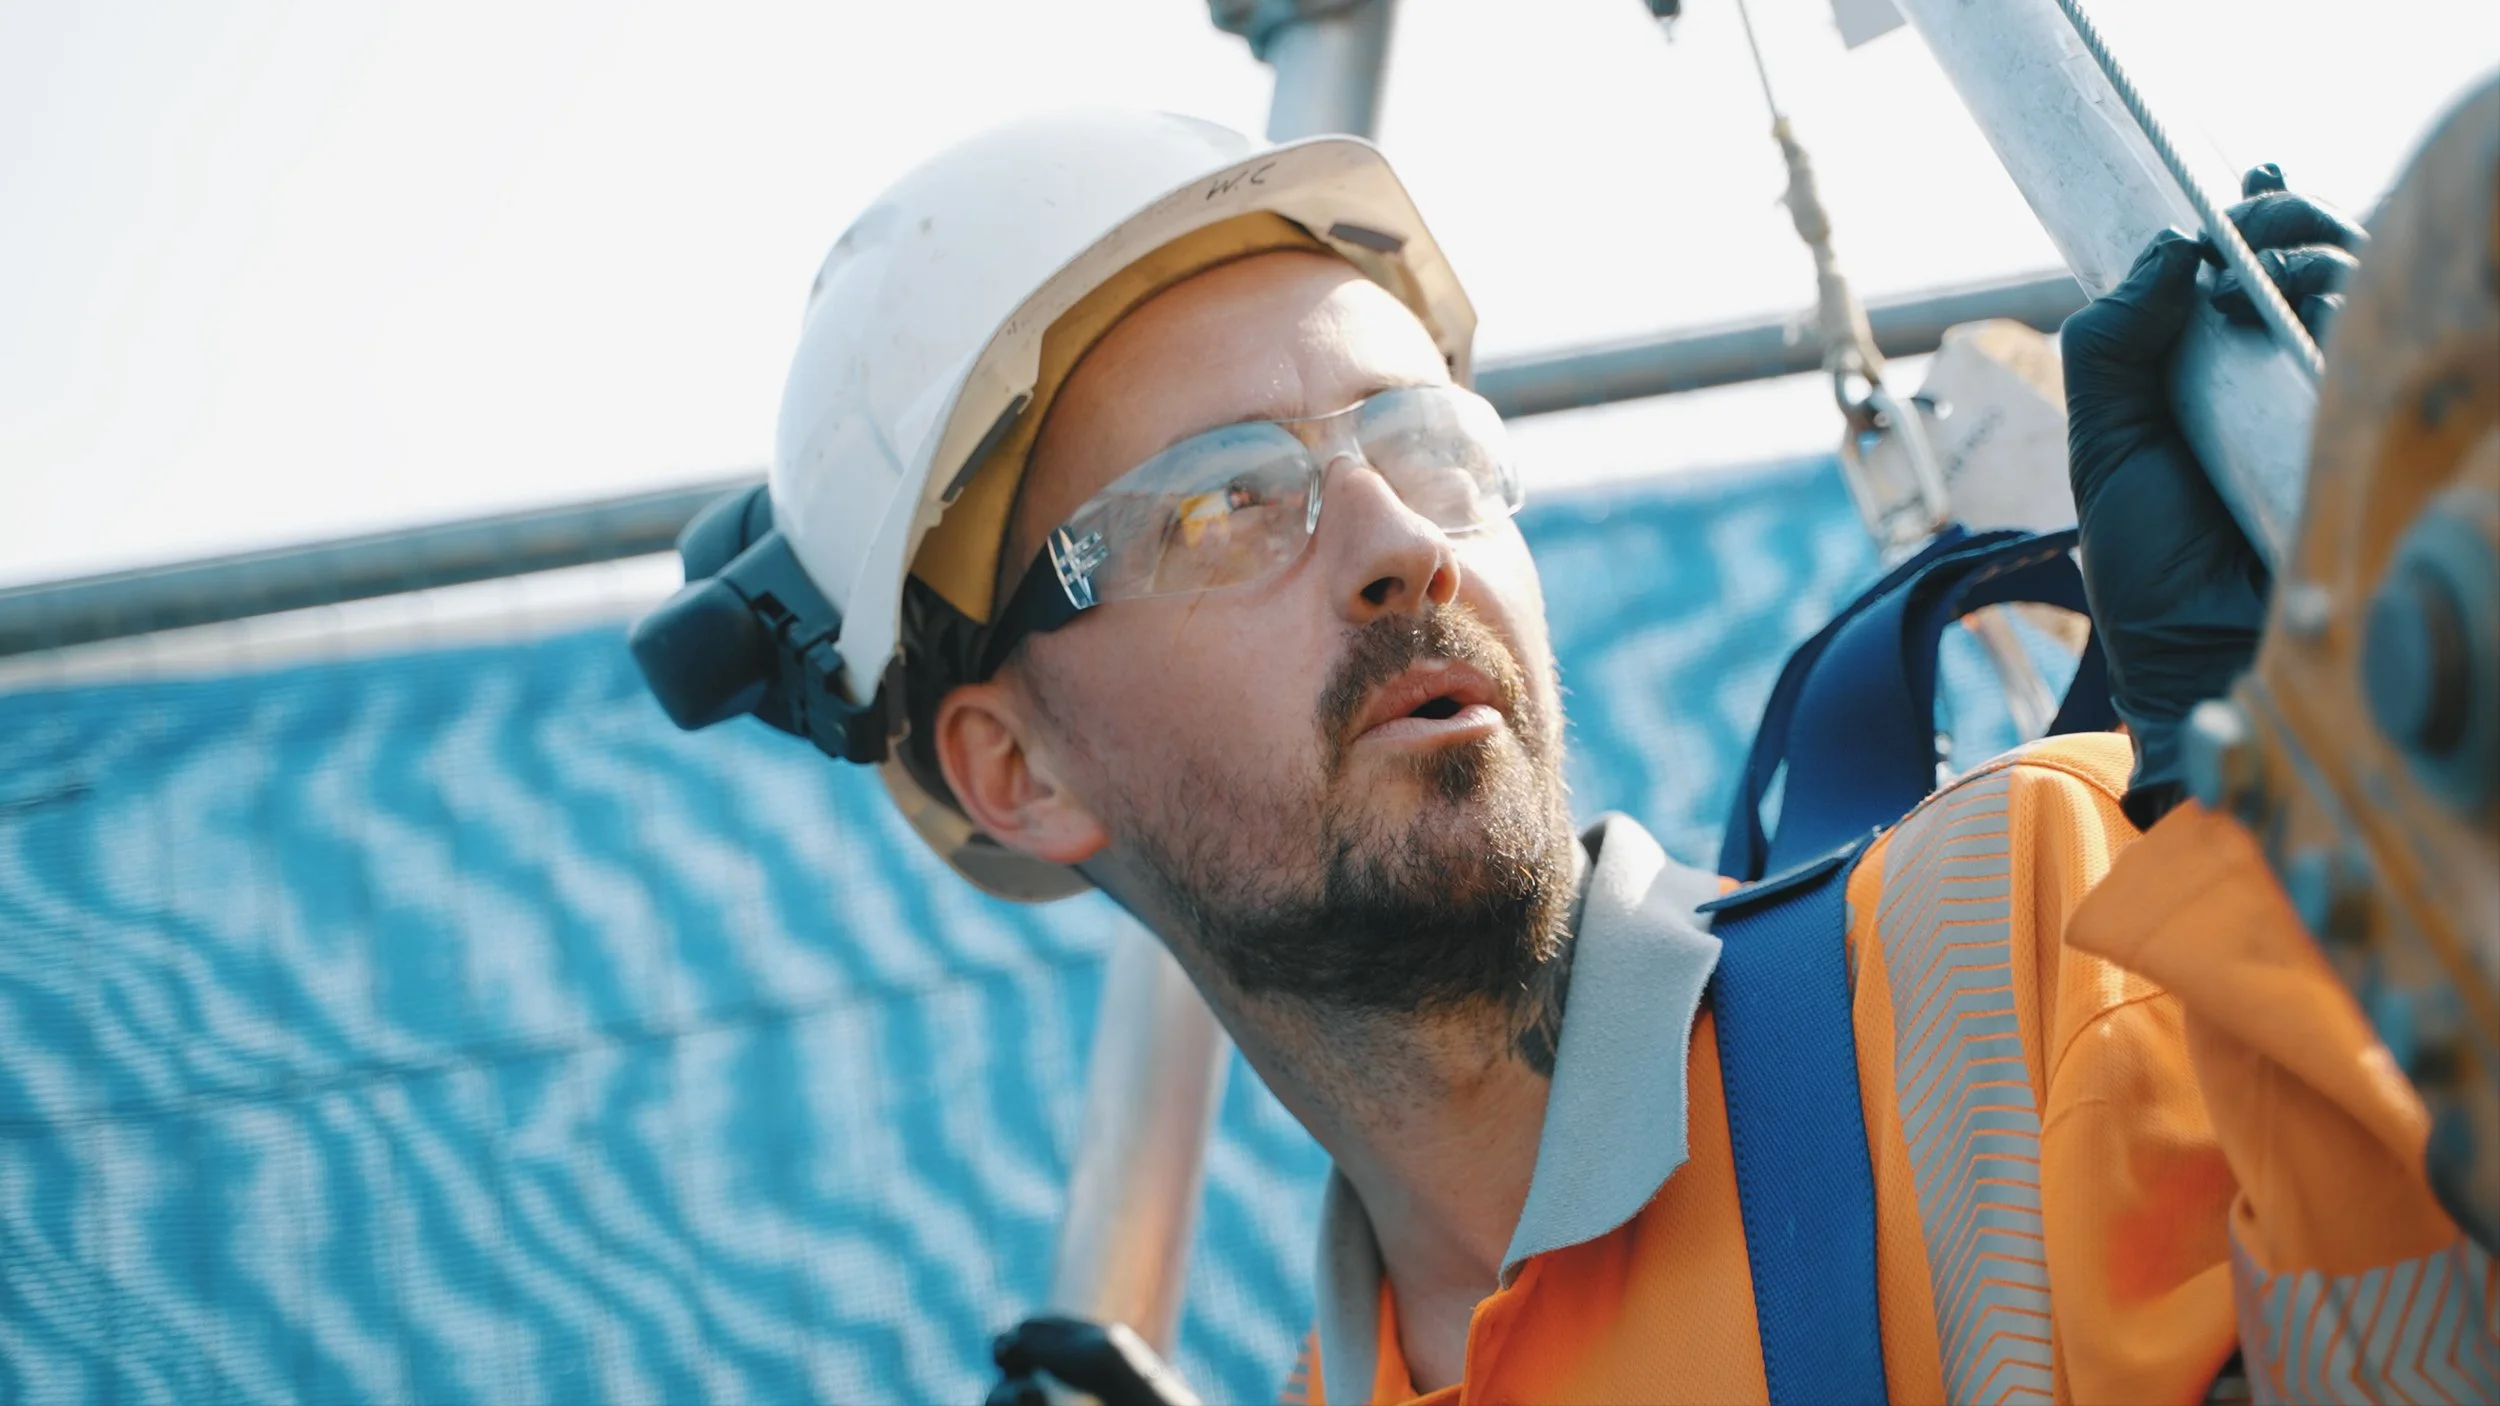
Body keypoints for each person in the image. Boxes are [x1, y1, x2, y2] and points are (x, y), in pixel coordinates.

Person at [631, 115, 2494, 1403]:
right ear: (1013, 768)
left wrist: (2333, 862)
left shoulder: (2047, 930)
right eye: (1218, 506)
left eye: (1423, 438)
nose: (1395, 537)